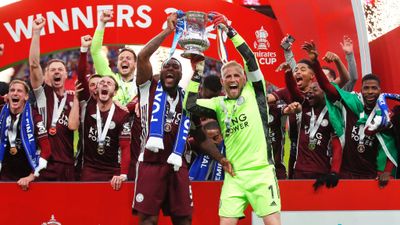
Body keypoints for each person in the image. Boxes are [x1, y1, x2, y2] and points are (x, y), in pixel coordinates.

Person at [186, 13, 281, 225]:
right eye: (227, 76)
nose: (232, 79)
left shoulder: (254, 92)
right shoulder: (219, 104)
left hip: (261, 173)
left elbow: (250, 58)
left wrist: (230, 30)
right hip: (234, 175)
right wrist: (197, 73)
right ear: (222, 82)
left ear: (244, 79)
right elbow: (189, 105)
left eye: (236, 75)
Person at [306, 41, 398, 187]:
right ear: (361, 89)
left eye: (374, 88)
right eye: (366, 88)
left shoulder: (384, 115)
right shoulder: (352, 102)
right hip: (345, 175)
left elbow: (389, 144)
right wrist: (315, 63)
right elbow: (327, 87)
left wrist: (386, 172)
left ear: (380, 90)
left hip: (371, 177)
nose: (370, 92)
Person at [69, 35, 131, 190]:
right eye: (101, 83)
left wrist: (123, 174)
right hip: (89, 170)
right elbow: (82, 76)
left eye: (109, 83)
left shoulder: (122, 115)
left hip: (113, 171)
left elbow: (125, 147)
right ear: (96, 90)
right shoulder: (88, 105)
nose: (104, 84)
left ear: (114, 92)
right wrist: (83, 50)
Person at [29, 17, 76, 181]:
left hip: (69, 164)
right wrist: (36, 32)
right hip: (44, 163)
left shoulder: (73, 97)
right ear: (46, 75)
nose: (57, 72)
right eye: (52, 70)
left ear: (66, 74)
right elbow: (34, 64)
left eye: (60, 69)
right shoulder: (43, 93)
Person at [0, 80, 51, 190]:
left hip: (27, 176)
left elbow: (46, 150)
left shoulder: (34, 117)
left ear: (26, 97)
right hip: (4, 175)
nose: (15, 93)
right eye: (12, 90)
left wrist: (31, 176)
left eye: (19, 91)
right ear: (7, 95)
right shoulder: (2, 112)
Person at [91, 10, 137, 106]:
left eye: (128, 58)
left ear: (135, 64)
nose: (124, 60)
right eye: (121, 59)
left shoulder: (141, 83)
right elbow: (95, 51)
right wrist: (101, 24)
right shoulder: (110, 79)